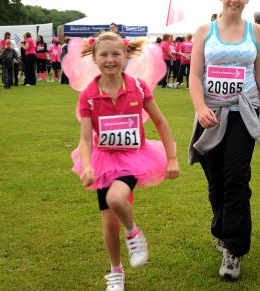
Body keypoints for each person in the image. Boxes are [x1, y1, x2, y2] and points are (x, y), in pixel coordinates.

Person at [188, 0, 260, 280]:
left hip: (243, 112)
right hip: (210, 114)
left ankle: (234, 250)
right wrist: (201, 108)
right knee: (216, 181)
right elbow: (194, 76)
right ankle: (220, 228)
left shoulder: (255, 32)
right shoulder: (204, 31)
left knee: (237, 178)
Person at [71, 32, 179, 291]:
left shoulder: (138, 87)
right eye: (104, 55)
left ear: (126, 56)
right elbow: (86, 139)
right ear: (95, 58)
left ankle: (134, 234)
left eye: (116, 54)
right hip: (104, 160)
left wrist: (172, 157)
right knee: (109, 223)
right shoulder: (88, 95)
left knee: (116, 199)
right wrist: (86, 165)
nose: (110, 60)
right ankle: (116, 272)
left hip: (134, 158)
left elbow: (160, 122)